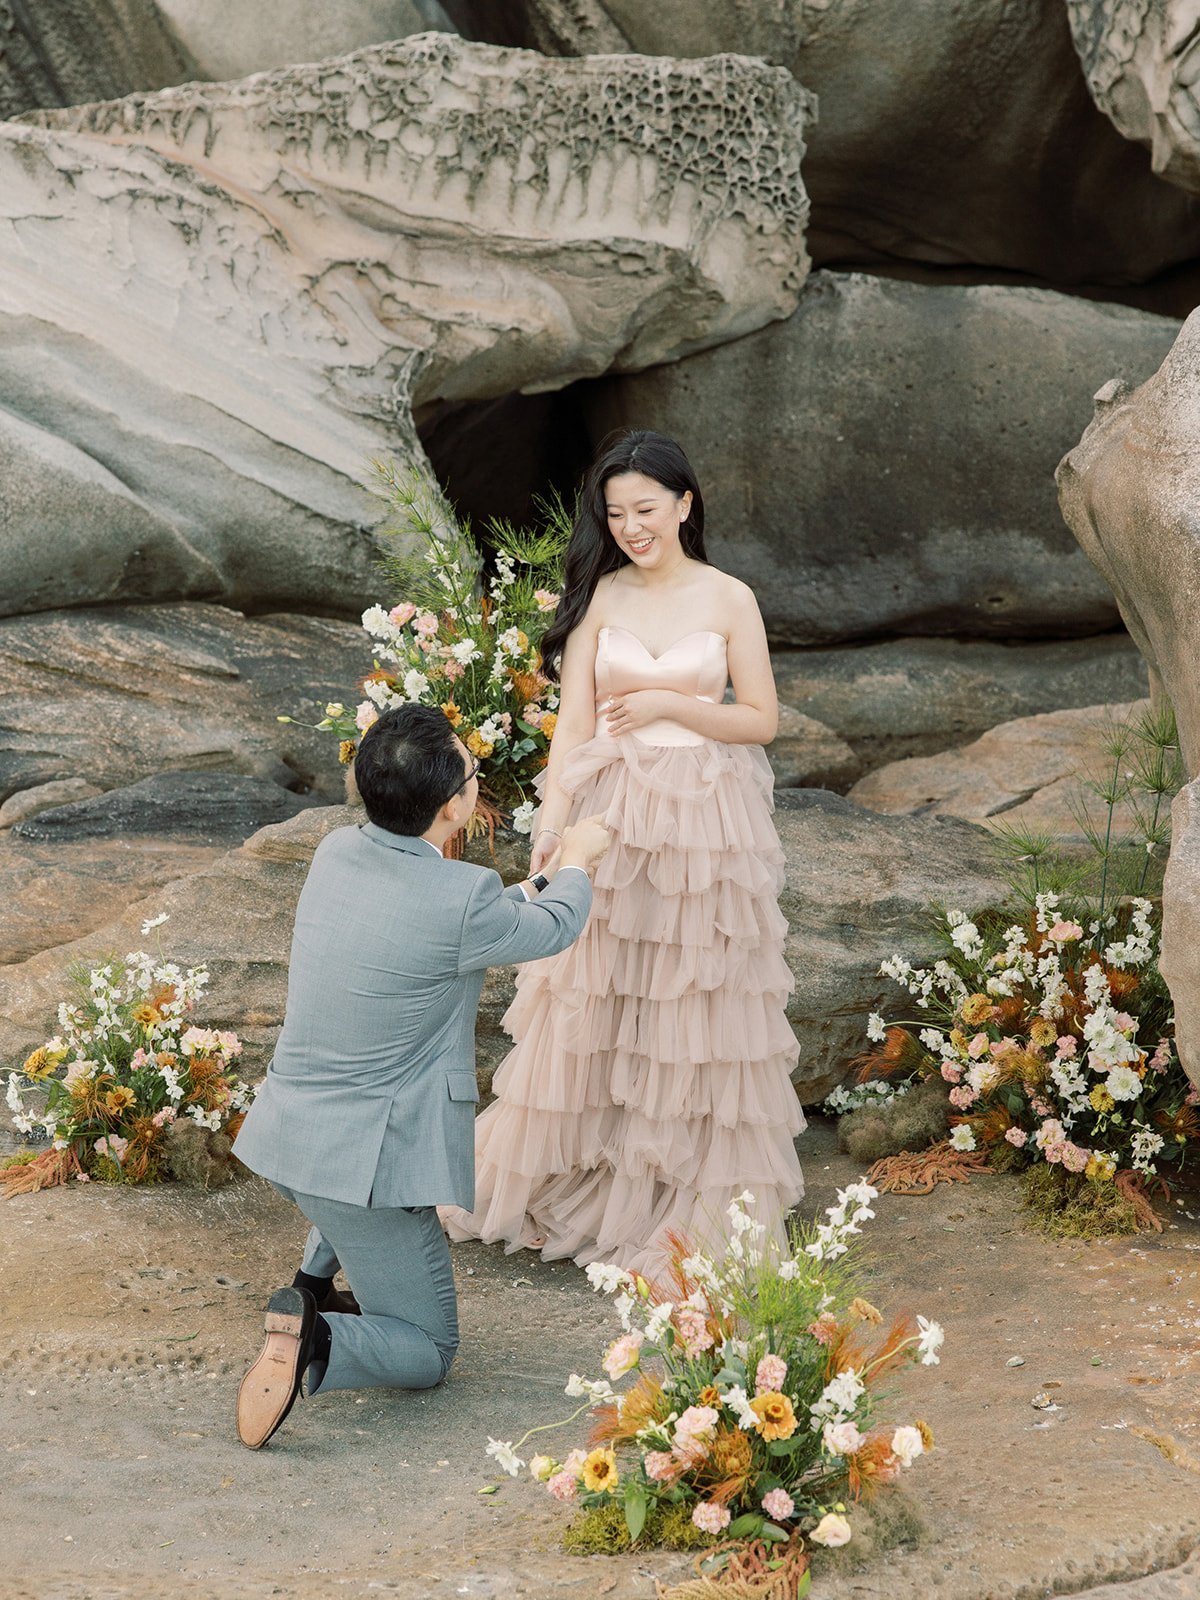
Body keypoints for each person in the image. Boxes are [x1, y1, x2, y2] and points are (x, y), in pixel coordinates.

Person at [443, 429, 804, 1277]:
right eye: (616, 513)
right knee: (597, 985)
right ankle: (596, 1171)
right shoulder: (601, 594)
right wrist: (553, 818)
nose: (632, 526)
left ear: (685, 504)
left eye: (646, 509)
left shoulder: (728, 597)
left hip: (705, 810)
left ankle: (681, 1187)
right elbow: (572, 721)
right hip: (612, 804)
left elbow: (760, 718)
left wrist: (662, 700)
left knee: (694, 997)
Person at [232, 703, 609, 1449]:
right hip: (367, 1168)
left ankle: (312, 1285)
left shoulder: (338, 852)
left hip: (287, 1138)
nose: (477, 778)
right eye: (472, 772)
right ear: (453, 806)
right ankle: (317, 1341)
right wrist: (577, 863)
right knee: (431, 1350)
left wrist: (525, 888)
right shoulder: (459, 896)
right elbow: (558, 929)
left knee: (343, 1186)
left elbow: (441, 922)